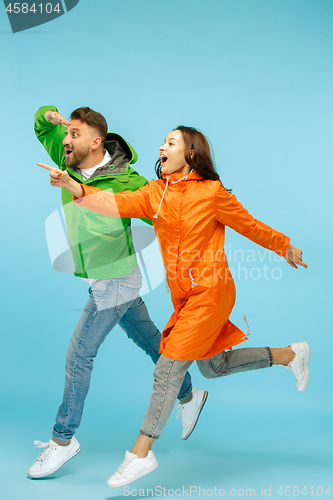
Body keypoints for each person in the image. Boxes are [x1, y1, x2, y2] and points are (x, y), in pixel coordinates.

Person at [39, 125, 310, 488]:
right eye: (163, 143)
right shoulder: (155, 193)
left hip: (212, 292)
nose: (160, 148)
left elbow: (249, 226)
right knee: (214, 367)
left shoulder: (211, 193)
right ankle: (289, 355)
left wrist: (284, 246)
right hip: (185, 297)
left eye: (170, 143)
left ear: (191, 154)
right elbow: (116, 203)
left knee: (167, 368)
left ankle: (140, 453)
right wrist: (75, 188)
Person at [28, 109, 207, 479]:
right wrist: (49, 116)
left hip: (116, 280)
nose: (64, 141)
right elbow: (41, 126)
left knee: (79, 354)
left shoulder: (127, 181)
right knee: (150, 341)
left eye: (74, 134)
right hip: (103, 278)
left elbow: (165, 210)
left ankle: (63, 440)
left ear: (95, 142)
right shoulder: (68, 157)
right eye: (65, 134)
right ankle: (189, 393)